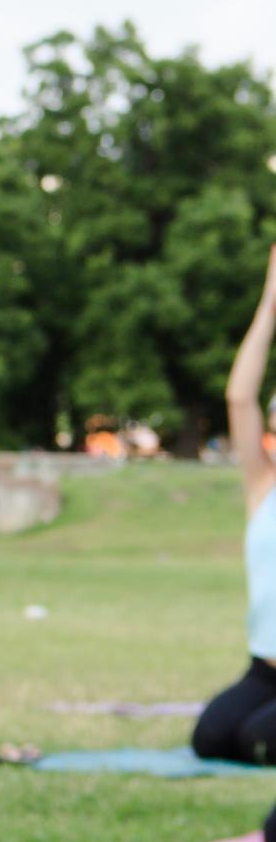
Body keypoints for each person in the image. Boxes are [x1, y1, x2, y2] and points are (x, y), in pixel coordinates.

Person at [199, 242, 276, 765]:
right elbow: (239, 397)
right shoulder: (263, 487)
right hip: (264, 670)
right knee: (211, 739)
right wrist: (272, 299)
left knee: (259, 740)